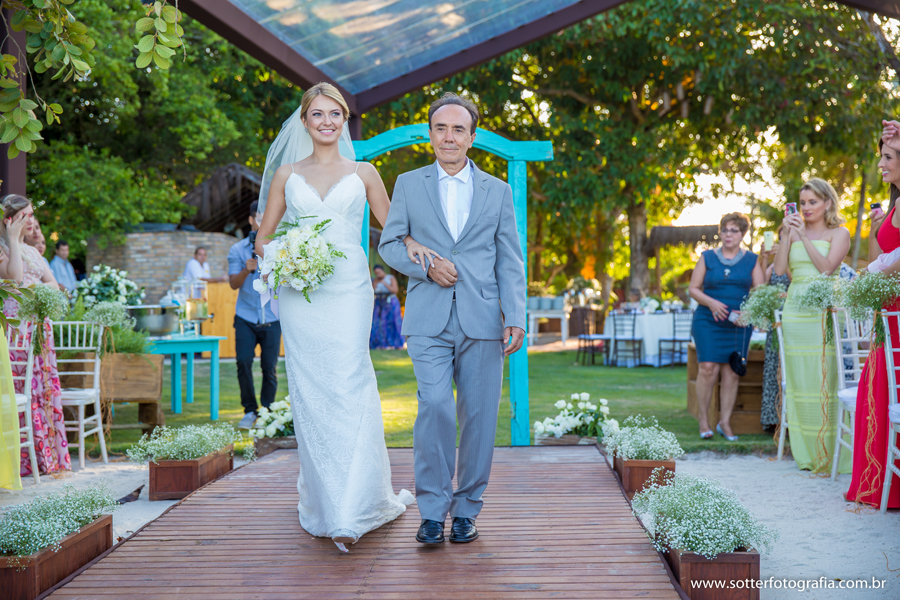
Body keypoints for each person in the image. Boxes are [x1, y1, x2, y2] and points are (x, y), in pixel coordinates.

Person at [255, 83, 435, 552]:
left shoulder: (365, 172)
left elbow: (395, 231)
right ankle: (327, 502)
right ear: (304, 121)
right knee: (312, 390)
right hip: (301, 294)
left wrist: (418, 250)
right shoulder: (286, 175)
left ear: (344, 119)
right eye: (317, 114)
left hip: (349, 289)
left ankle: (359, 500)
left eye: (335, 114)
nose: (327, 122)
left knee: (350, 379)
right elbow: (264, 239)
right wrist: (287, 259)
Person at [379, 92, 527, 546]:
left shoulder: (498, 191)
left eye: (458, 129)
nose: (449, 136)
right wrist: (426, 265)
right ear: (430, 135)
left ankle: (466, 509)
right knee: (436, 407)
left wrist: (515, 315)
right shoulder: (407, 183)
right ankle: (431, 510)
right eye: (441, 128)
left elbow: (510, 260)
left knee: (480, 418)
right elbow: (388, 246)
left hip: (483, 318)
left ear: (472, 137)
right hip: (428, 318)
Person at [773, 178, 851, 474]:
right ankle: (805, 453)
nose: (806, 208)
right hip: (795, 311)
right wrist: (786, 235)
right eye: (802, 202)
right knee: (799, 380)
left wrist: (804, 236)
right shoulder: (792, 232)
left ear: (828, 203)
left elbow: (827, 268)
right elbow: (780, 271)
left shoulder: (839, 232)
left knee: (823, 379)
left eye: (812, 202)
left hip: (824, 312)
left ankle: (830, 452)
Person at [845, 120, 900, 509]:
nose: (880, 164)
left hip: (898, 315)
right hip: (888, 311)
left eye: (888, 157)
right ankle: (880, 484)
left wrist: (872, 271)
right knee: (878, 390)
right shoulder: (895, 203)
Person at [0, 194, 68, 477]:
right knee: (23, 391)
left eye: (31, 215)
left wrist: (42, 293)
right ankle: (23, 460)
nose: (31, 221)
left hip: (40, 328)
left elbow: (51, 281)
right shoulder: (5, 249)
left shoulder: (34, 252)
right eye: (25, 216)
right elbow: (13, 279)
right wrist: (13, 240)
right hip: (17, 331)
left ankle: (46, 456)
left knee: (43, 389)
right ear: (10, 220)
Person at [689, 213, 764, 441]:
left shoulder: (752, 260)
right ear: (720, 233)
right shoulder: (707, 257)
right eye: (725, 230)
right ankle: (704, 421)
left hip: (738, 324)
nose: (728, 234)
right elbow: (694, 288)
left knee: (732, 372)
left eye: (734, 230)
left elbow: (761, 293)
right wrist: (711, 302)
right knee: (708, 368)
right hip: (707, 321)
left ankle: (725, 423)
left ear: (742, 234)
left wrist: (750, 311)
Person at [229, 201, 281, 430]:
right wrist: (247, 269)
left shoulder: (279, 247)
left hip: (272, 317)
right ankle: (249, 410)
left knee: (269, 367)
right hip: (246, 316)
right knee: (243, 362)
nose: (262, 221)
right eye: (259, 217)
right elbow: (233, 284)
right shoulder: (237, 249)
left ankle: (267, 411)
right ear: (251, 219)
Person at [759, 227, 791, 430]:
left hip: (794, 319)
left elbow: (796, 280)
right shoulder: (773, 266)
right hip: (776, 323)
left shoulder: (796, 262)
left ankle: (791, 419)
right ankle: (773, 419)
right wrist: (764, 258)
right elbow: (761, 284)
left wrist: (785, 256)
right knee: (773, 369)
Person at [369, 264, 403, 349]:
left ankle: (397, 344)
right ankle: (382, 343)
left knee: (394, 322)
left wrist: (384, 283)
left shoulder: (390, 278)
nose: (378, 275)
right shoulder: (376, 280)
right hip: (380, 302)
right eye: (376, 273)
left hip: (391, 302)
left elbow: (395, 290)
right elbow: (373, 291)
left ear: (382, 270)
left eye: (379, 272)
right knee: (381, 323)